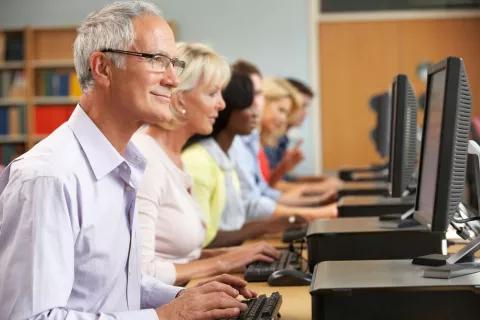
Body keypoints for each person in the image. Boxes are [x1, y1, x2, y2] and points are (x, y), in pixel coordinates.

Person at [0, 2, 254, 319]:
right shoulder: (49, 178)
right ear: (103, 68)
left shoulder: (125, 163)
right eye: (158, 61)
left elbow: (111, 287)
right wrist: (166, 315)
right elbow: (29, 318)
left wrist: (185, 297)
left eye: (174, 64)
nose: (174, 80)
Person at [133, 43, 281, 286]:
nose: (222, 105)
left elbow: (175, 255)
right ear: (180, 99)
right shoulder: (145, 159)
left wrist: (228, 256)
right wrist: (220, 263)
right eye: (213, 93)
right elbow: (140, 272)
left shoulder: (175, 157)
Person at [181, 72, 308, 249]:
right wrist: (265, 226)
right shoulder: (199, 159)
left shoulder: (227, 154)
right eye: (248, 106)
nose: (256, 113)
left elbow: (233, 222)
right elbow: (203, 241)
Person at [229, 60, 338, 221]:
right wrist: (316, 207)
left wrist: (316, 201)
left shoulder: (252, 139)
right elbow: (254, 202)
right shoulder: (239, 141)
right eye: (281, 111)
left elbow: (263, 191)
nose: (283, 119)